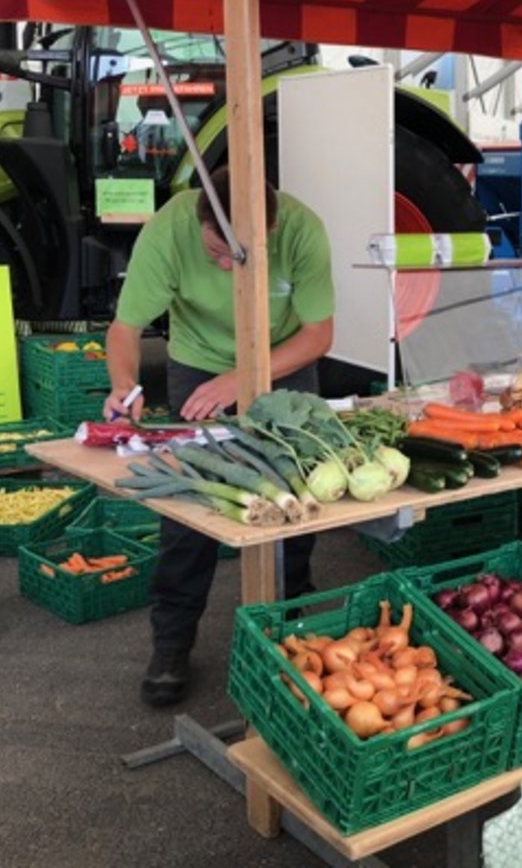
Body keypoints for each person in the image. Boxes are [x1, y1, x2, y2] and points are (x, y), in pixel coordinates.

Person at [104, 167, 335, 707]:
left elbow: (319, 335)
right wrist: (125, 385)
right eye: (217, 250)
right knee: (191, 513)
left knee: (293, 503)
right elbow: (125, 328)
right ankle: (172, 644)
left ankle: (289, 631)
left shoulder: (303, 231)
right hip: (198, 366)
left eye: (244, 254)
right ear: (202, 219)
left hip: (283, 365)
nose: (229, 265)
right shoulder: (168, 230)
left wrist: (247, 379)